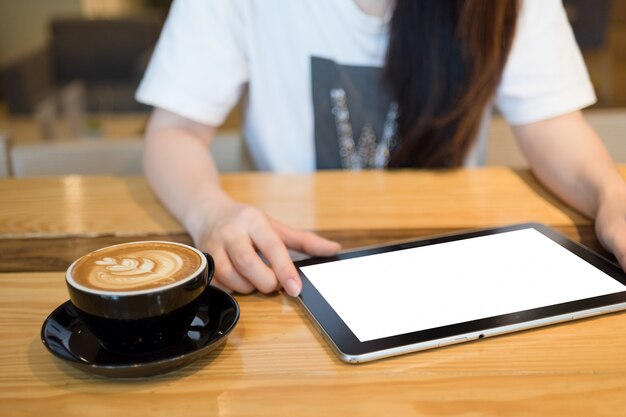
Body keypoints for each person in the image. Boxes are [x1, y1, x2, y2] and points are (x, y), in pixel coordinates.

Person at [136, 0, 626, 297]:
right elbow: (174, 131)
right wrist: (211, 213)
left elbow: (550, 124)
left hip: (457, 274)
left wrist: (611, 195)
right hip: (286, 274)